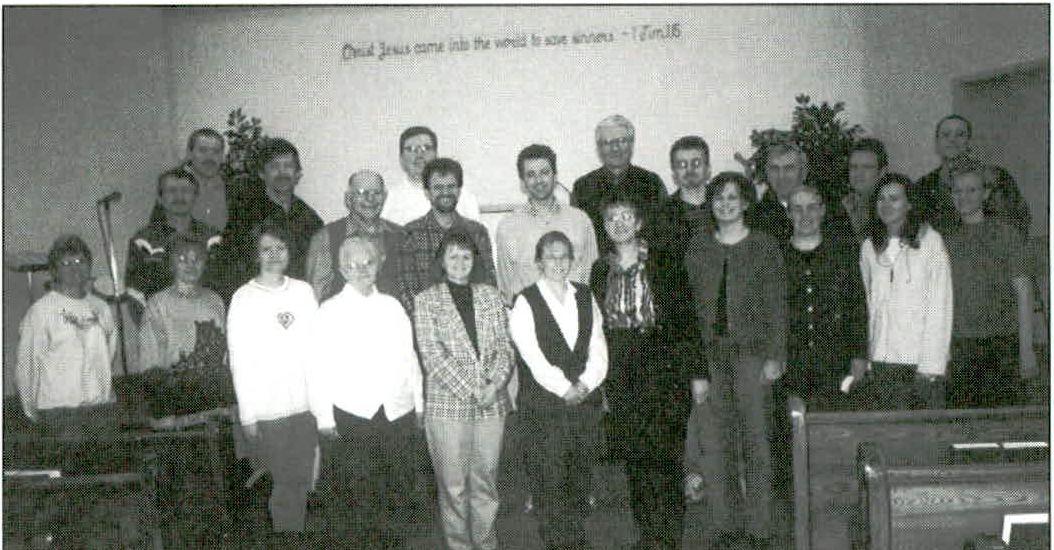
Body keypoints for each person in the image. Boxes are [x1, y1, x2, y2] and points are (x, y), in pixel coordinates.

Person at [589, 198, 707, 550]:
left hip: (662, 364)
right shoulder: (600, 269)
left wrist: (697, 372)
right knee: (636, 457)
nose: (619, 223)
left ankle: (669, 539)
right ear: (605, 226)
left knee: (666, 455)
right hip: (620, 368)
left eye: (626, 216)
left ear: (639, 223)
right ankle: (647, 536)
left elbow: (686, 319)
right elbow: (596, 328)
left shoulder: (665, 261)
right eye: (611, 218)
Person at [683, 172, 786, 546]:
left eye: (732, 197)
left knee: (756, 441)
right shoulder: (698, 247)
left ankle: (759, 527)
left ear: (745, 203)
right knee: (715, 442)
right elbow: (688, 310)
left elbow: (777, 304)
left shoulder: (764, 246)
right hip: (711, 358)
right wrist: (695, 367)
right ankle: (724, 525)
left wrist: (775, 356)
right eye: (718, 198)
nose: (725, 204)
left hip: (752, 356)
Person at [308, 234, 423, 549]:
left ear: (379, 264)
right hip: (353, 415)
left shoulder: (392, 306)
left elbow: (409, 357)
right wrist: (324, 418)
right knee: (359, 500)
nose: (361, 269)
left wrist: (420, 404)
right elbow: (316, 368)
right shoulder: (329, 311)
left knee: (395, 494)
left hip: (396, 412)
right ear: (342, 269)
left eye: (368, 262)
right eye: (353, 264)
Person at [413, 231, 514, 550]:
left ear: (475, 261)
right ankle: (459, 546)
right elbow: (433, 356)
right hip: (448, 406)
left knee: (485, 483)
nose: (460, 262)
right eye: (453, 256)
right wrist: (474, 390)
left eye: (466, 256)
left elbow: (505, 347)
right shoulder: (425, 300)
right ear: (441, 261)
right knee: (453, 488)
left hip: (491, 404)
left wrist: (494, 385)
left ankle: (487, 544)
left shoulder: (490, 296)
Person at [509, 231, 608, 550]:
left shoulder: (585, 295)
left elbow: (598, 347)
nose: (558, 262)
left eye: (564, 255)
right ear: (539, 262)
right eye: (550, 256)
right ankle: (557, 543)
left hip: (584, 403)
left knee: (580, 477)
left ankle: (577, 540)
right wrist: (565, 388)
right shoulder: (525, 301)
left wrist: (586, 383)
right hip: (544, 407)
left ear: (572, 260)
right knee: (549, 481)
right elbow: (532, 356)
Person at [227, 220, 319, 541]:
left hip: (304, 405)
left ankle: (295, 536)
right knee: (282, 483)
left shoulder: (303, 292)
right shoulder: (243, 298)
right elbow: (239, 361)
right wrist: (248, 415)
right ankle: (286, 539)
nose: (274, 255)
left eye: (280, 248)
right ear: (255, 254)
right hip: (268, 410)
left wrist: (320, 404)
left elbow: (316, 349)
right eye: (266, 249)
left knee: (303, 481)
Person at [855, 173, 952, 410]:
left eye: (894, 198)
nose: (886, 205)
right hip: (880, 361)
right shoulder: (869, 246)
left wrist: (930, 366)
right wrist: (867, 358)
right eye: (881, 199)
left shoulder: (930, 242)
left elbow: (940, 306)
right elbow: (867, 305)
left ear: (909, 204)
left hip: (919, 364)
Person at [944, 164, 1037, 408]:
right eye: (957, 191)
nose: (963, 197)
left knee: (1002, 418)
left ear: (985, 193)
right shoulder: (945, 240)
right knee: (963, 420)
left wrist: (1026, 350)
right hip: (961, 345)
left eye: (971, 190)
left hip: (1002, 344)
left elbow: (1024, 293)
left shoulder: (1006, 234)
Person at [16, 235, 119, 435]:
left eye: (80, 261)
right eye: (66, 263)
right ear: (55, 270)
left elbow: (109, 354)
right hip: (59, 414)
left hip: (100, 409)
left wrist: (104, 392)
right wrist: (30, 410)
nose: (74, 268)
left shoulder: (101, 307)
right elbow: (27, 364)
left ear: (89, 265)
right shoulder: (41, 311)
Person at [782, 186, 868, 408]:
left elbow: (857, 308)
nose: (805, 215)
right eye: (797, 209)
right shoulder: (777, 259)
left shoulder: (843, 256)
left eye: (812, 207)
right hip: (790, 364)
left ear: (822, 211)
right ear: (788, 214)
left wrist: (859, 355)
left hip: (835, 363)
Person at [496, 144, 598, 308]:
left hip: (575, 313)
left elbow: (593, 275)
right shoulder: (508, 227)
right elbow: (507, 287)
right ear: (522, 182)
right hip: (531, 317)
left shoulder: (580, 221)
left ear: (555, 176)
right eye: (531, 175)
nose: (539, 180)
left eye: (544, 172)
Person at [225, 137, 323, 297]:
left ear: (298, 174)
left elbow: (316, 269)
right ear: (262, 174)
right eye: (274, 167)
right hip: (256, 298)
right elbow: (230, 268)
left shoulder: (310, 219)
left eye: (288, 166)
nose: (282, 173)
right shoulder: (243, 215)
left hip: (297, 300)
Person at [305, 169, 409, 308]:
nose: (370, 199)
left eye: (376, 193)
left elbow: (409, 288)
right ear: (348, 199)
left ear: (384, 197)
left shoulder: (401, 235)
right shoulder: (326, 237)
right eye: (361, 193)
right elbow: (317, 294)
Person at [401, 158, 496, 305]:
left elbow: (488, 283)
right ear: (427, 192)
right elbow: (407, 290)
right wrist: (428, 316)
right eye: (438, 188)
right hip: (427, 316)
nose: (445, 192)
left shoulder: (477, 232)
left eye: (451, 186)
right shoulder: (410, 234)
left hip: (473, 315)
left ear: (459, 190)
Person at [571, 115, 667, 251]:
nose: (615, 148)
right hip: (597, 263)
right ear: (599, 148)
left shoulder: (651, 183)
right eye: (607, 142)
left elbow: (664, 234)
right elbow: (577, 239)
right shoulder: (583, 187)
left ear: (631, 144)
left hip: (645, 262)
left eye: (621, 141)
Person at [126, 167, 221, 300]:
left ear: (196, 196)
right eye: (171, 191)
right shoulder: (143, 241)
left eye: (186, 191)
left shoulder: (213, 238)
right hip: (158, 311)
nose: (179, 197)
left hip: (206, 310)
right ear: (160, 198)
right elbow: (134, 291)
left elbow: (223, 283)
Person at [137, 235, 226, 373]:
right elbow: (149, 360)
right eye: (182, 259)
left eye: (197, 259)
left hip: (211, 380)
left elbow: (224, 352)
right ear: (171, 264)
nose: (191, 265)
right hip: (171, 382)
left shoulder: (215, 300)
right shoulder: (158, 304)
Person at [748, 142, 854, 245]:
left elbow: (846, 249)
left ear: (803, 173)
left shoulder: (830, 209)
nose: (781, 176)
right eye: (774, 169)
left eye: (789, 168)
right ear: (767, 173)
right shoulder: (756, 217)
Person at [382, 126, 481, 225]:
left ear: (436, 154)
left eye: (426, 148)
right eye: (411, 149)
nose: (419, 155)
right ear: (401, 158)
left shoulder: (464, 198)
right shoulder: (387, 201)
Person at [657, 135, 711, 257]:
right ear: (674, 174)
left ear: (708, 169)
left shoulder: (728, 206)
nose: (689, 170)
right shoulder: (662, 215)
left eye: (696, 163)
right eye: (682, 165)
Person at [842, 138, 888, 237]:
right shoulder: (842, 208)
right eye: (853, 167)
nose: (859, 173)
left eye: (867, 167)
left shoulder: (892, 212)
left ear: (882, 172)